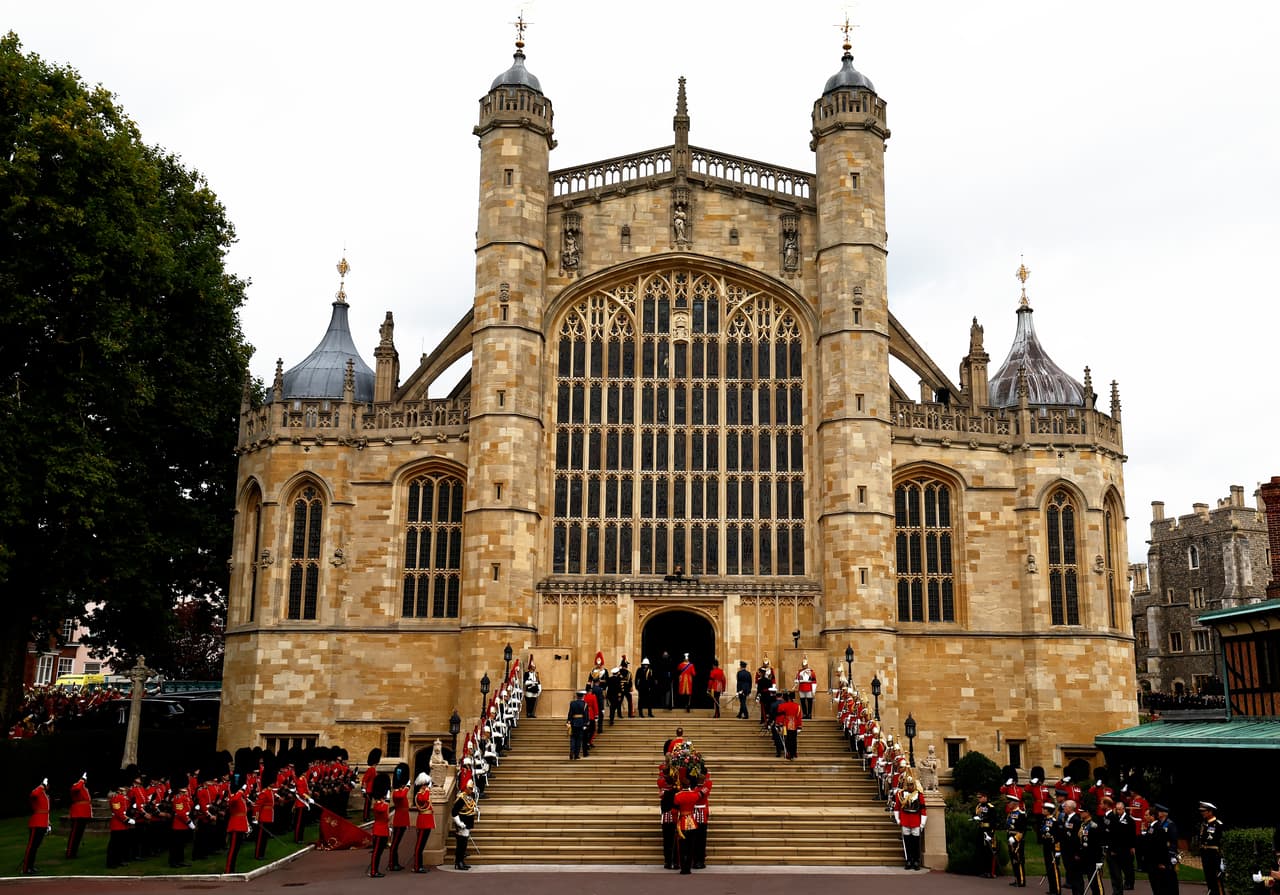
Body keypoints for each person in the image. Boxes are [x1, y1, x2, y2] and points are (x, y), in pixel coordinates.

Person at [1101, 795, 1136, 895]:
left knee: (1127, 867)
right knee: (1116, 871)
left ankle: (1129, 883)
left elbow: (1132, 835)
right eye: (1117, 809)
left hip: (1125, 847)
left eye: (1120, 809)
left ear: (1124, 809)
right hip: (1117, 848)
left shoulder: (1129, 820)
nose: (1118, 811)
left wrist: (1132, 846)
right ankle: (1119, 889)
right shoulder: (1115, 818)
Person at [894, 774, 928, 870]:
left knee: (915, 843)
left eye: (911, 785)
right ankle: (909, 860)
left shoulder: (919, 795)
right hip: (905, 821)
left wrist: (922, 823)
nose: (910, 787)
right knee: (907, 842)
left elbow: (923, 810)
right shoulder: (901, 795)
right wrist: (898, 819)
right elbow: (897, 808)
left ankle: (916, 861)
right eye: (908, 785)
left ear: (914, 785)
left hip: (916, 821)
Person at [1150, 804, 1180, 895]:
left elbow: (1173, 842)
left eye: (1159, 811)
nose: (1157, 813)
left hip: (1167, 857)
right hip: (1160, 856)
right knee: (1161, 882)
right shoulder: (1159, 823)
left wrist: (1170, 857)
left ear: (1164, 813)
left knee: (1170, 881)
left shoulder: (1170, 825)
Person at [673, 776, 700, 873]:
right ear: (689, 785)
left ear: (682, 785)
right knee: (691, 846)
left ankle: (683, 868)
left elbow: (674, 811)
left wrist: (676, 822)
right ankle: (688, 867)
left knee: (682, 847)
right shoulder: (694, 794)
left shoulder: (677, 795)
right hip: (692, 822)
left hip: (683, 823)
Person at [451, 778, 479, 870]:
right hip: (462, 822)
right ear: (466, 788)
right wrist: (458, 822)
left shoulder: (470, 797)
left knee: (464, 843)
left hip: (468, 822)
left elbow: (471, 807)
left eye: (472, 788)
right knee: (461, 844)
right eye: (470, 788)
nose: (471, 790)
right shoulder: (461, 798)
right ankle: (458, 862)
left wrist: (475, 809)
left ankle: (462, 860)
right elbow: (454, 811)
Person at [24, 776, 50, 875]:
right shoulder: (38, 792)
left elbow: (46, 811)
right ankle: (26, 868)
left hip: (42, 823)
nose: (47, 786)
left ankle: (31, 866)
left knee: (36, 847)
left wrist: (48, 823)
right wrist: (42, 785)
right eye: (46, 785)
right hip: (36, 823)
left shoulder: (44, 795)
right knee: (32, 846)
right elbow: (34, 794)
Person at [1198, 802, 1225, 895]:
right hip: (1205, 854)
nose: (1202, 813)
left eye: (1204, 811)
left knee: (1216, 878)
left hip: (1214, 855)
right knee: (1208, 877)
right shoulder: (1204, 824)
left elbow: (1222, 841)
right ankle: (1211, 892)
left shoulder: (1218, 824)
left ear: (1210, 812)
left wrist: (1222, 858)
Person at [388, 763, 411, 871]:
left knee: (397, 843)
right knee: (395, 843)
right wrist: (407, 787)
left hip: (403, 820)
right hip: (399, 820)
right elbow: (401, 796)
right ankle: (392, 864)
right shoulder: (397, 792)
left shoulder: (400, 791)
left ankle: (395, 863)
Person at [107, 779, 135, 869]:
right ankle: (111, 863)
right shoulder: (115, 798)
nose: (127, 790)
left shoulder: (124, 798)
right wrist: (127, 820)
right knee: (114, 845)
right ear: (119, 789)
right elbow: (118, 812)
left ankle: (119, 860)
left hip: (123, 825)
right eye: (125, 789)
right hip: (117, 824)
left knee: (121, 844)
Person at [1059, 799, 1084, 895]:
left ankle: (1079, 892)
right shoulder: (1066, 817)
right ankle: (1074, 890)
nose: (1063, 808)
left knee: (1076, 874)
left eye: (1065, 806)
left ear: (1070, 808)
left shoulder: (1076, 820)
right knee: (1069, 870)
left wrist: (1077, 852)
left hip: (1073, 851)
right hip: (1065, 849)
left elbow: (1077, 838)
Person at [224, 784, 250, 875]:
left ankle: (232, 869)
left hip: (241, 824)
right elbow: (234, 800)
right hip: (235, 824)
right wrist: (240, 791)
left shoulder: (241, 797)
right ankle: (228, 870)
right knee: (233, 849)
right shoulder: (233, 796)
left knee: (237, 849)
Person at [368, 773, 391, 877]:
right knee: (377, 852)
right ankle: (373, 871)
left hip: (380, 829)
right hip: (380, 830)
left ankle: (375, 870)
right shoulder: (382, 805)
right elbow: (387, 817)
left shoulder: (379, 804)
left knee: (379, 852)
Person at [1079, 806, 1105, 895]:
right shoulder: (1084, 824)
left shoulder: (1094, 826)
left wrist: (1099, 860)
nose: (1080, 813)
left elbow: (1097, 844)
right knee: (1091, 882)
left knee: (1096, 882)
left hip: (1093, 858)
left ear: (1087, 812)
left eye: (1082, 812)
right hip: (1086, 857)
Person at [65, 771, 92, 859]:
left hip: (83, 813)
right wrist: (82, 779)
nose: (85, 780)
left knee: (79, 835)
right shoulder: (76, 785)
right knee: (74, 835)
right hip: (78, 813)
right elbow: (76, 789)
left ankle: (74, 852)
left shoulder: (84, 787)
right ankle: (69, 853)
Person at [411, 772, 434, 873]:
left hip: (427, 821)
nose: (426, 786)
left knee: (422, 844)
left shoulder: (424, 793)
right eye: (425, 784)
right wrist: (428, 790)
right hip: (423, 821)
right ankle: (417, 866)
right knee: (419, 845)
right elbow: (423, 799)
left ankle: (419, 865)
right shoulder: (420, 795)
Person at [974, 790, 999, 877]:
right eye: (978, 797)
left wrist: (991, 833)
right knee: (981, 851)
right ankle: (983, 870)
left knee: (989, 851)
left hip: (988, 830)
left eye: (980, 797)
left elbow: (994, 821)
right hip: (981, 829)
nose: (979, 799)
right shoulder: (979, 806)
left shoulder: (990, 807)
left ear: (985, 797)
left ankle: (990, 872)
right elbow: (977, 815)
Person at [1006, 793, 1029, 884]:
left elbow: (1023, 829)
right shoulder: (1011, 813)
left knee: (1018, 859)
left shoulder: (1021, 814)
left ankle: (1021, 881)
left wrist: (1015, 838)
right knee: (1013, 860)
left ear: (1015, 803)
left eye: (1009, 803)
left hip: (1017, 840)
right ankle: (1017, 879)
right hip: (1010, 837)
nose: (1008, 804)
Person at [252, 777, 277, 860]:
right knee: (261, 838)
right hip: (263, 817)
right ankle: (258, 854)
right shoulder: (264, 792)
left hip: (269, 816)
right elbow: (257, 806)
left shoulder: (270, 791)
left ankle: (262, 854)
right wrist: (256, 818)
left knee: (265, 838)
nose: (274, 783)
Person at [1041, 801, 1063, 895]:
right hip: (1046, 846)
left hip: (1052, 848)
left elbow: (1058, 837)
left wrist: (1058, 850)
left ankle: (1057, 889)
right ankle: (1052, 889)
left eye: (1044, 809)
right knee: (1049, 868)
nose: (1042, 810)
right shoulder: (1044, 820)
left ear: (1049, 811)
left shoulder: (1054, 822)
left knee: (1054, 869)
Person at [776, 690, 803, 760]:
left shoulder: (782, 706)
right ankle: (794, 753)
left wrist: (779, 725)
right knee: (794, 739)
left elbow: (780, 717)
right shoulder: (798, 706)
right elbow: (799, 717)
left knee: (787, 739)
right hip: (794, 725)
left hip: (785, 725)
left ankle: (788, 753)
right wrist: (799, 726)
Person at [567, 689, 590, 760]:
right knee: (579, 739)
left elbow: (570, 713)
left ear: (577, 696)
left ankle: (572, 751)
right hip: (581, 723)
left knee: (573, 738)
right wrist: (585, 724)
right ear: (583, 696)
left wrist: (568, 722)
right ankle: (576, 754)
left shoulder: (572, 703)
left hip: (573, 722)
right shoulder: (585, 704)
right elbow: (586, 715)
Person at [361, 748, 381, 821]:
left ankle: (367, 816)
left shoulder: (374, 769)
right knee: (367, 805)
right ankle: (365, 817)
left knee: (369, 804)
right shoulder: (371, 769)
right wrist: (363, 789)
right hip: (368, 790)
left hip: (371, 789)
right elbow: (365, 780)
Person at [755, 659, 775, 723]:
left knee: (763, 708)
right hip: (768, 695)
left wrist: (757, 696)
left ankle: (763, 719)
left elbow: (759, 689)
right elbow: (771, 687)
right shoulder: (769, 680)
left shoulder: (760, 681)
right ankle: (768, 719)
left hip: (763, 695)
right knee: (768, 707)